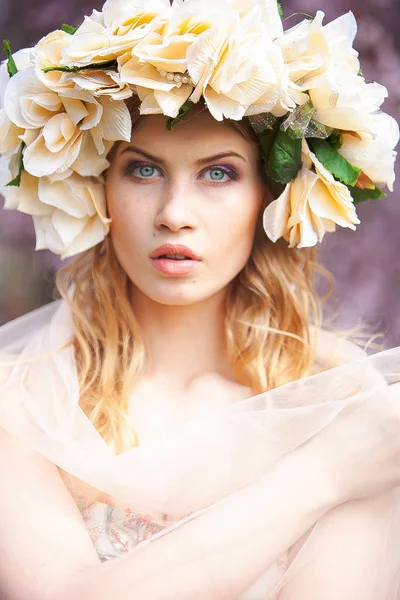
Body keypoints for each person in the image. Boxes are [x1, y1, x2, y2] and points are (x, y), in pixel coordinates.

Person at [0, 1, 400, 598]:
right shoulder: (20, 404)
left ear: (272, 197)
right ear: (98, 187)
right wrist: (324, 474)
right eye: (142, 170)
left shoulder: (346, 404)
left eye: (218, 174)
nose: (174, 215)